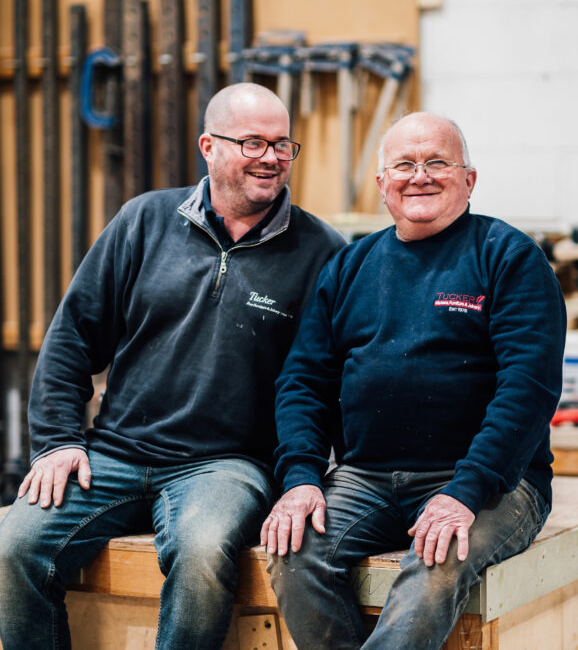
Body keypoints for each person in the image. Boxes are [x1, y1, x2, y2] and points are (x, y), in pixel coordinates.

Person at [0, 83, 345, 650]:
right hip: (113, 454)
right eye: (253, 142)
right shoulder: (144, 220)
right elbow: (71, 337)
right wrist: (60, 441)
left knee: (203, 551)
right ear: (208, 146)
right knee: (15, 547)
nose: (271, 158)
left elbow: (322, 383)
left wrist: (306, 479)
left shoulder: (322, 251)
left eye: (282, 144)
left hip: (227, 467)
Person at [261, 112, 567, 649]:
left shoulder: (509, 257)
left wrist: (465, 492)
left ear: (468, 180)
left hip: (483, 481)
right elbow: (303, 380)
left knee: (437, 561)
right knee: (292, 549)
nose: (419, 175)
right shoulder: (349, 266)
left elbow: (529, 388)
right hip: (364, 477)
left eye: (437, 162)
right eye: (404, 164)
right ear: (383, 184)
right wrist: (302, 478)